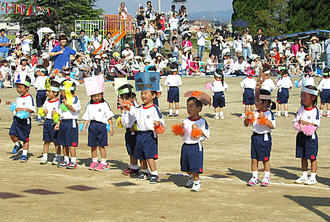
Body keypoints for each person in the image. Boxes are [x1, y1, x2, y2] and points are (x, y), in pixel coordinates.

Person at [119, 77, 165, 184]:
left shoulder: (154, 108)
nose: (143, 95)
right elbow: (133, 110)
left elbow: (161, 120)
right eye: (142, 93)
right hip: (140, 134)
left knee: (149, 155)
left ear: (153, 95)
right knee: (141, 155)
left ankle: (154, 173)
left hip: (149, 135)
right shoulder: (139, 108)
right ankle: (144, 171)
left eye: (146, 93)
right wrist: (125, 105)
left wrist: (158, 123)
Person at [176, 95, 210, 192]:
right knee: (185, 166)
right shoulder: (186, 121)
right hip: (186, 146)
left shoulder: (202, 121)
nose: (188, 109)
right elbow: (182, 134)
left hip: (195, 146)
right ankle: (190, 176)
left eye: (191, 106)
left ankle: (196, 182)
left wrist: (198, 130)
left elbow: (206, 135)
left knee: (195, 166)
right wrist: (180, 129)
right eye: (187, 106)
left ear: (199, 108)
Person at [244, 89, 276, 187]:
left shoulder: (269, 113)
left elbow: (272, 125)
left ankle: (266, 177)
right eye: (255, 100)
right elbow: (246, 124)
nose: (255, 103)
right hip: (255, 137)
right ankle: (254, 177)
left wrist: (265, 120)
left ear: (265, 102)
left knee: (265, 159)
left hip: (265, 137)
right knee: (254, 158)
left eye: (257, 101)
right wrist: (248, 119)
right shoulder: (254, 112)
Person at [82, 76, 114, 171]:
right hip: (92, 126)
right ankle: (94, 161)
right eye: (94, 96)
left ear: (102, 95)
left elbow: (109, 117)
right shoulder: (89, 104)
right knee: (92, 145)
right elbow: (87, 116)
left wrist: (111, 127)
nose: (96, 98)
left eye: (98, 95)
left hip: (102, 126)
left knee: (101, 145)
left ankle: (103, 162)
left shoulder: (104, 104)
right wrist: (84, 126)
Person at [293, 86, 320, 185]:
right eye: (302, 96)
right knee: (302, 156)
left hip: (310, 136)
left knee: (312, 157)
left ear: (313, 98)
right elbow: (296, 118)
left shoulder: (315, 110)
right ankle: (304, 175)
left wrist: (305, 123)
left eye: (305, 96)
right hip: (301, 135)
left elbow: (316, 124)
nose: (303, 98)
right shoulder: (301, 109)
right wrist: (298, 122)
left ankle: (313, 176)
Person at [55, 80, 81, 169]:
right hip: (63, 122)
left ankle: (73, 160)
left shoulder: (75, 99)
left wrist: (67, 104)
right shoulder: (62, 100)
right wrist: (58, 122)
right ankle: (66, 159)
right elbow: (60, 113)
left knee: (70, 143)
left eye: (62, 92)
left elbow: (75, 110)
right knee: (63, 143)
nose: (61, 94)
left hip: (71, 122)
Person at [9, 75, 35, 162]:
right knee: (12, 133)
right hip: (16, 119)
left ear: (27, 88)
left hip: (25, 121)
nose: (18, 90)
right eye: (17, 87)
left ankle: (24, 154)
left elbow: (32, 109)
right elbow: (17, 107)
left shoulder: (29, 98)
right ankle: (17, 145)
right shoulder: (19, 98)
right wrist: (12, 104)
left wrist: (22, 109)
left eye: (20, 88)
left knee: (25, 138)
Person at [118, 84, 140, 175]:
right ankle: (132, 165)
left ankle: (135, 167)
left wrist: (132, 128)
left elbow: (135, 117)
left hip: (133, 132)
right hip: (128, 131)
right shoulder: (126, 106)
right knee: (130, 150)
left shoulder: (132, 105)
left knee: (133, 149)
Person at [40, 80, 61, 165]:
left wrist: (56, 115)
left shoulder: (58, 103)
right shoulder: (46, 101)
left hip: (54, 123)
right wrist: (43, 112)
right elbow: (42, 110)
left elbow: (61, 114)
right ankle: (45, 156)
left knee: (56, 141)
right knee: (46, 140)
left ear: (55, 93)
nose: (47, 93)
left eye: (49, 91)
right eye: (46, 91)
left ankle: (58, 156)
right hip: (47, 122)